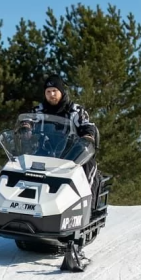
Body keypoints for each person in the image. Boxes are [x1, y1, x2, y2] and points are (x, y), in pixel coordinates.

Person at [19, 74, 101, 207]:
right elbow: (29, 118)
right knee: (23, 165)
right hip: (46, 150)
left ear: (61, 92)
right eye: (48, 91)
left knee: (88, 165)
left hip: (71, 152)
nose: (52, 94)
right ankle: (24, 203)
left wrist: (88, 135)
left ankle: (89, 206)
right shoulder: (40, 110)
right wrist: (25, 126)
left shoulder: (75, 110)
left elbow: (86, 124)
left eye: (54, 91)